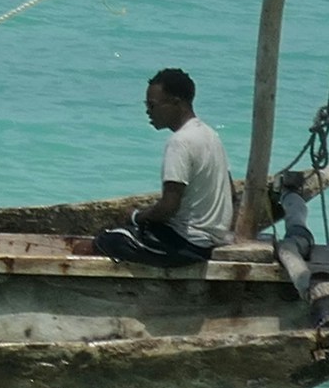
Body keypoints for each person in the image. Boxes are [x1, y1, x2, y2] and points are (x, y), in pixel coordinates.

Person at [88, 66, 234, 266]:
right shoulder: (211, 136)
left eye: (152, 105)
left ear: (176, 103)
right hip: (213, 241)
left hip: (187, 244)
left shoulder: (180, 142)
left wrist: (135, 216)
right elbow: (231, 192)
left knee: (107, 240)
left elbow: (168, 207)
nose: (148, 111)